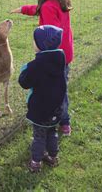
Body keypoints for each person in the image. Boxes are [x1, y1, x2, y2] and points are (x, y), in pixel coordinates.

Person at [11, 0, 74, 136]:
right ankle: (63, 121)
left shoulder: (48, 5)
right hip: (64, 54)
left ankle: (58, 120)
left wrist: (42, 55)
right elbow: (40, 9)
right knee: (61, 87)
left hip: (52, 56)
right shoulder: (59, 0)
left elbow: (50, 33)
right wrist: (23, 9)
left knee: (51, 89)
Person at [19, 25, 67, 173]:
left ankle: (36, 162)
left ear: (41, 45)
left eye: (34, 41)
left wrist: (24, 71)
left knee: (39, 137)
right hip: (56, 109)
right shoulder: (60, 59)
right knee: (52, 132)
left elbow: (24, 82)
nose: (33, 43)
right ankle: (53, 157)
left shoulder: (36, 66)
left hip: (40, 111)